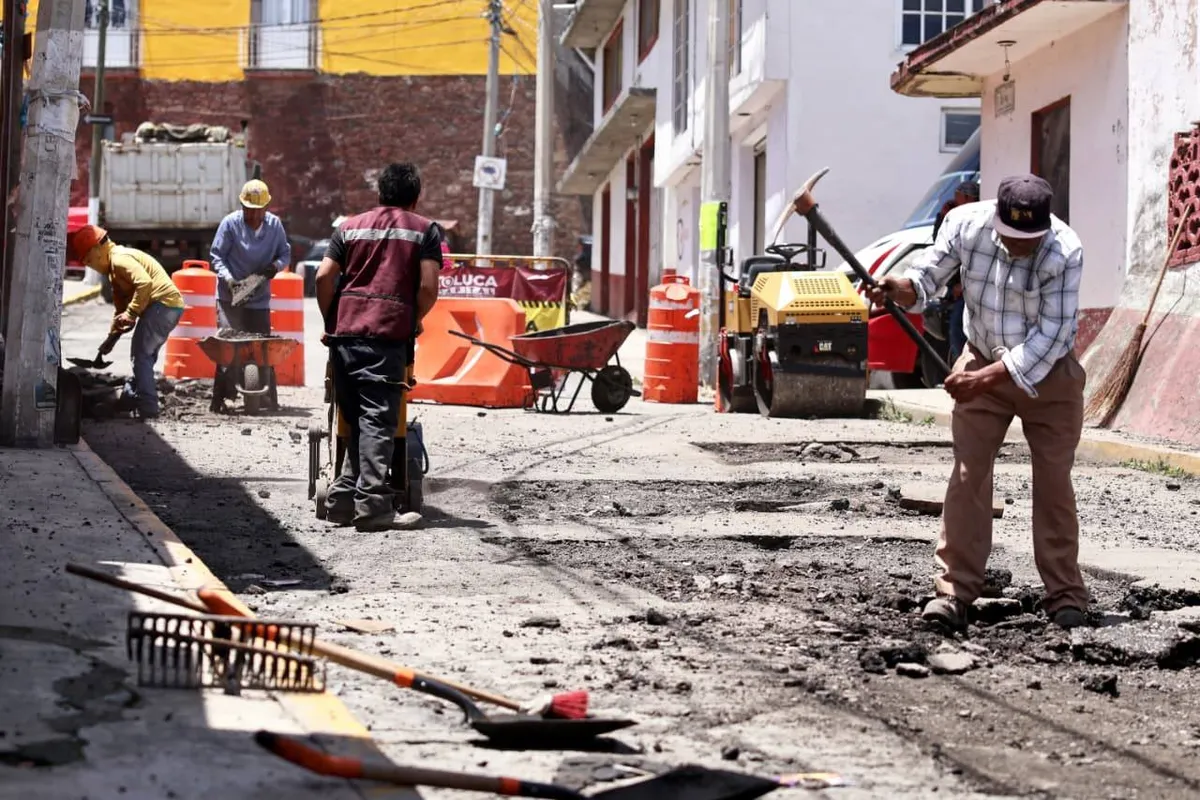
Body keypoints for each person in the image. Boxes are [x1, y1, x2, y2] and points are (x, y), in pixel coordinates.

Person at [866, 174, 1089, 631]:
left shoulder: (1065, 250)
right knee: (968, 475)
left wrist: (988, 378)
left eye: (1032, 238)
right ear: (996, 220)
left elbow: (1054, 335)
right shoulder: (964, 225)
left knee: (1053, 482)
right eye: (1013, 237)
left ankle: (1066, 595)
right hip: (982, 353)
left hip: (1049, 374)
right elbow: (925, 281)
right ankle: (953, 594)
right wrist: (895, 287)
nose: (1022, 246)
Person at [315, 162, 443, 532]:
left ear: (380, 194)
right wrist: (414, 319)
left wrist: (331, 321)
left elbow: (324, 276)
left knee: (354, 418)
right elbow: (428, 288)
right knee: (377, 420)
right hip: (386, 336)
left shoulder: (349, 227)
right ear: (415, 198)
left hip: (344, 337)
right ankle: (372, 506)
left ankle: (342, 500)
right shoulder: (424, 231)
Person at [67, 224, 185, 420]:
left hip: (162, 305)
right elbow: (121, 312)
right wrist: (111, 340)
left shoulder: (120, 259)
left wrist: (132, 312)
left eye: (89, 260)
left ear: (98, 249)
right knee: (144, 357)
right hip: (168, 307)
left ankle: (148, 408)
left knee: (141, 357)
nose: (91, 266)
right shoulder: (114, 272)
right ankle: (129, 399)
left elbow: (145, 283)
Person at [210, 179, 292, 399]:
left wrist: (273, 268)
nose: (254, 216)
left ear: (266, 207)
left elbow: (285, 254)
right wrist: (229, 280)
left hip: (259, 298)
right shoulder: (230, 224)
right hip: (230, 297)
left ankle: (267, 397)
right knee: (228, 345)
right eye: (249, 210)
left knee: (262, 347)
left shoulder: (275, 226)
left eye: (259, 210)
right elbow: (217, 256)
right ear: (242, 206)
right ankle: (221, 396)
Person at [931, 180, 980, 366]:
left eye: (958, 196)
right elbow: (941, 247)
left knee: (959, 329)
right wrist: (942, 218)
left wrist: (964, 284)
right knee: (955, 329)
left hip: (970, 288)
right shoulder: (952, 217)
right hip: (958, 289)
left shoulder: (977, 220)